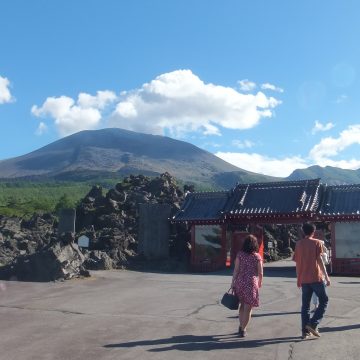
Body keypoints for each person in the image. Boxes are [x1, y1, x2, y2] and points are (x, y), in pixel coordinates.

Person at [293, 222, 331, 339]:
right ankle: (313, 324)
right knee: (324, 300)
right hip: (316, 277)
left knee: (305, 306)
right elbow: (320, 260)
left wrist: (298, 278)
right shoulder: (317, 243)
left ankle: (305, 332)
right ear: (313, 232)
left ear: (303, 231)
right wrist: (327, 276)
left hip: (304, 278)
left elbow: (298, 263)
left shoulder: (298, 244)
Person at [231, 234, 263, 337]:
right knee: (248, 307)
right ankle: (243, 329)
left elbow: (236, 270)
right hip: (251, 283)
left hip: (240, 282)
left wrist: (233, 282)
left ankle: (241, 326)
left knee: (241, 305)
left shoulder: (240, 255)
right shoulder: (257, 256)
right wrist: (260, 282)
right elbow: (260, 272)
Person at [311, 241, 329, 312]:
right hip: (323, 275)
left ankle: (316, 306)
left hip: (315, 274)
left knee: (314, 292)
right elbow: (326, 262)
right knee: (323, 291)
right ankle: (322, 305)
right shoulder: (324, 254)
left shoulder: (314, 254)